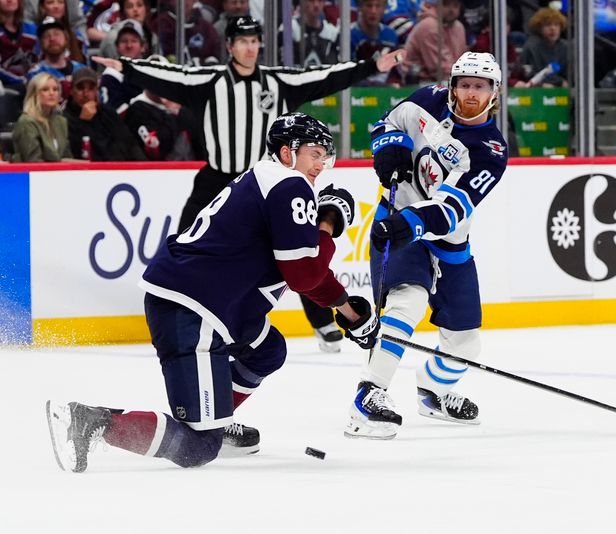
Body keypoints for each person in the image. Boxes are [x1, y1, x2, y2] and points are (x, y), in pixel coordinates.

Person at [45, 112, 381, 473]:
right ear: (287, 152)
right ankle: (92, 422)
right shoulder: (289, 186)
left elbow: (303, 272)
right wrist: (328, 223)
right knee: (199, 447)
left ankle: (216, 414)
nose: (321, 165)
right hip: (195, 310)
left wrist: (349, 312)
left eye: (324, 156)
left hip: (204, 304)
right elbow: (303, 274)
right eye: (315, 154)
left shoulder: (267, 180)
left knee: (267, 350)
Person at [92, 15, 404, 234]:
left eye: (254, 41)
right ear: (229, 46)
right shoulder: (209, 81)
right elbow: (169, 76)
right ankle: (172, 306)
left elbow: (327, 76)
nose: (250, 48)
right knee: (183, 242)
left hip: (263, 179)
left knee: (295, 242)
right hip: (216, 180)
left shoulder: (279, 81)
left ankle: (321, 318)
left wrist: (373, 66)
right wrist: (126, 67)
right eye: (243, 41)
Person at [345, 51, 508, 439]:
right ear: (452, 86)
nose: (471, 93)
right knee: (408, 301)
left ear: (494, 94)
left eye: (480, 87)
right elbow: (385, 122)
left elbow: (451, 208)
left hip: (445, 239)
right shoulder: (428, 99)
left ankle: (434, 389)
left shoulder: (490, 151)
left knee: (466, 341)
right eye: (465, 84)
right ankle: (369, 396)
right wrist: (389, 147)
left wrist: (408, 224)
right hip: (398, 216)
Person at [62, 66, 146, 160]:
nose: (85, 94)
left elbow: (130, 143)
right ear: (71, 91)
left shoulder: (108, 113)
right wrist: (83, 122)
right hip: (88, 171)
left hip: (120, 169)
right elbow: (75, 152)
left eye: (91, 88)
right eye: (80, 88)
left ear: (96, 90)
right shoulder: (64, 119)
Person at [12, 71, 74, 161]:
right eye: (45, 89)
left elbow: (67, 157)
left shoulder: (61, 122)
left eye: (55, 89)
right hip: (34, 174)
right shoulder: (26, 123)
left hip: (60, 173)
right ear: (34, 94)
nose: (52, 93)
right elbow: (34, 161)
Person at [403, 0, 467, 84]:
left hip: (450, 78)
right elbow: (439, 68)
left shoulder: (459, 27)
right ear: (435, 5)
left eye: (455, 6)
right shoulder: (429, 25)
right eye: (446, 5)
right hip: (420, 82)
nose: (451, 10)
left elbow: (462, 60)